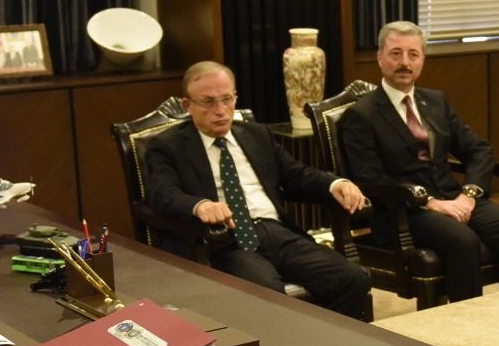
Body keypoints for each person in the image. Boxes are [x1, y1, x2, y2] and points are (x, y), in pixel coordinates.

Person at [145, 61, 373, 320]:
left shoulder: (256, 134)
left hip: (277, 233)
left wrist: (335, 184)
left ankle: (327, 341)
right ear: (188, 106)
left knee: (351, 278)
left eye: (227, 99)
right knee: (267, 296)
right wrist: (200, 205)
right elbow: (162, 194)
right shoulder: (168, 146)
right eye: (208, 102)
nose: (220, 110)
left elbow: (296, 174)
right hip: (227, 242)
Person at [336, 21, 499, 302]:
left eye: (413, 54)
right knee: (463, 239)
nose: (405, 62)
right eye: (396, 53)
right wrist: (430, 203)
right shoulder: (362, 115)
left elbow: (479, 149)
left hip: (453, 197)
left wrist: (469, 195)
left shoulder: (435, 102)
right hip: (403, 211)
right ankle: (466, 323)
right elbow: (370, 179)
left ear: (422, 59)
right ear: (380, 58)